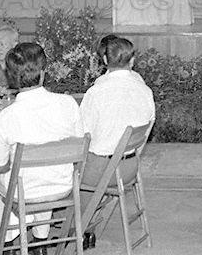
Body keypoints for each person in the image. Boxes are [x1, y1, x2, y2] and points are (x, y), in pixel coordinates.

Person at [0, 42, 83, 248]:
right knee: (44, 170)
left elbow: (0, 166)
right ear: (44, 73)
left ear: (11, 76)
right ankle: (40, 239)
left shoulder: (6, 116)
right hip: (63, 184)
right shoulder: (68, 104)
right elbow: (78, 148)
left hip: (23, 190)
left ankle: (8, 241)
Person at [79, 37, 155, 248]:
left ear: (104, 59)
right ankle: (89, 224)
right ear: (132, 61)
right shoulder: (145, 90)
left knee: (65, 172)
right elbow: (148, 128)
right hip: (129, 168)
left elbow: (82, 135)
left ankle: (79, 229)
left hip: (99, 171)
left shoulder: (96, 92)